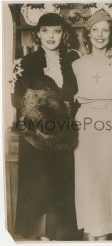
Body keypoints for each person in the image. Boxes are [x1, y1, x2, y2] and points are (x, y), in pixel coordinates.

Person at [10, 13, 80, 240]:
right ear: (37, 34)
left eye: (57, 31)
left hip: (65, 139)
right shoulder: (25, 63)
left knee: (62, 191)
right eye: (46, 30)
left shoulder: (73, 60)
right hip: (36, 138)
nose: (51, 36)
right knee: (41, 192)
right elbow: (17, 100)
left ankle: (60, 237)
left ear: (63, 34)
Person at [71, 9, 112, 241]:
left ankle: (103, 235)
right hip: (85, 122)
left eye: (105, 30)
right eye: (95, 30)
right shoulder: (77, 64)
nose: (100, 35)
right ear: (88, 34)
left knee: (107, 179)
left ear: (111, 34)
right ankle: (89, 234)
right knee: (86, 179)